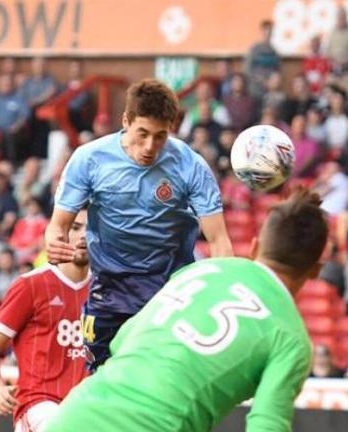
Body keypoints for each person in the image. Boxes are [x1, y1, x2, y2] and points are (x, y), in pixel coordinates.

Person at [0, 188, 328, 432]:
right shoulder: (290, 337)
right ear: (316, 269)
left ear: (255, 246)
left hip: (74, 422)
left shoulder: (198, 272)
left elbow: (123, 340)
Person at [46, 79, 233, 371]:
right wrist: (55, 242)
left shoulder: (191, 166)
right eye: (142, 133)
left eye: (160, 136)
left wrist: (224, 290)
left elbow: (219, 240)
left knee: (161, 384)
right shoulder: (89, 159)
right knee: (102, 384)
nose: (149, 146)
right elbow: (58, 226)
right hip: (109, 289)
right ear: (125, 121)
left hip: (169, 292)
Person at [0, 210, 91, 432]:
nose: (83, 236)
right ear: (59, 233)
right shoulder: (31, 285)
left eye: (90, 229)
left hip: (88, 411)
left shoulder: (109, 290)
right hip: (39, 407)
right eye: (75, 227)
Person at [245, 20, 281, 97]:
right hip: (255, 91)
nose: (268, 33)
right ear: (262, 31)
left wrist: (274, 81)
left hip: (270, 92)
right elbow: (247, 69)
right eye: (266, 30)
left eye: (270, 30)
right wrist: (263, 81)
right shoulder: (254, 49)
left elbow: (278, 71)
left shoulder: (275, 52)